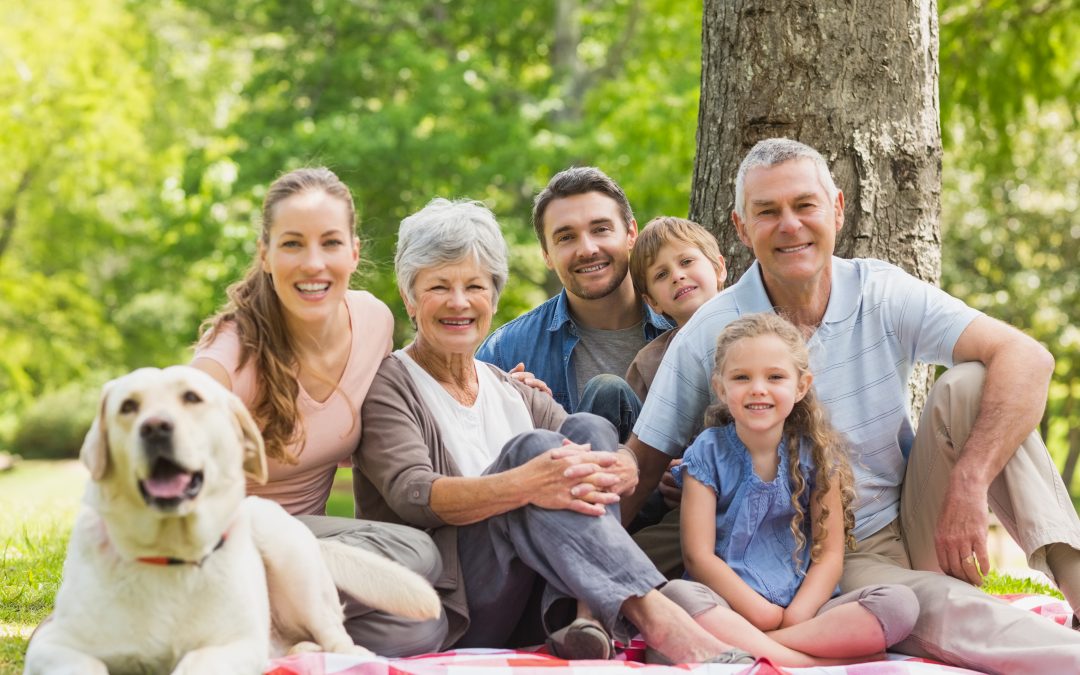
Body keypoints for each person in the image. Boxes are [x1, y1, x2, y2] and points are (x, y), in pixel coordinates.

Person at [626, 138, 1080, 672]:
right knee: (932, 608)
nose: (790, 225)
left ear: (837, 209)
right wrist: (587, 573)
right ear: (742, 228)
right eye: (767, 212)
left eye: (805, 205)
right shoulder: (711, 331)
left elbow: (1029, 358)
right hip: (834, 555)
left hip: (918, 513)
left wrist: (969, 484)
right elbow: (642, 464)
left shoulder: (880, 291)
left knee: (978, 382)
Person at [353, 197, 849, 667]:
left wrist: (650, 471)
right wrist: (524, 483)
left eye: (476, 286)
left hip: (533, 606)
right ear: (409, 297)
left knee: (588, 427)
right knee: (535, 450)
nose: (459, 302)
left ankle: (590, 615)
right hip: (451, 603)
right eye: (440, 286)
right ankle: (651, 612)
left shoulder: (511, 390)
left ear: (494, 295)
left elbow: (598, 459)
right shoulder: (390, 383)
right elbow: (412, 494)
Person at [191, 167, 448, 656]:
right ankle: (240, 624)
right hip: (227, 550)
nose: (313, 263)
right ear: (265, 255)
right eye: (292, 244)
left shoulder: (373, 320)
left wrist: (504, 383)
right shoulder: (233, 351)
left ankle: (269, 637)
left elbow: (408, 394)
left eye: (330, 243)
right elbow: (172, 415)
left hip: (304, 565)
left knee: (420, 630)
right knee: (416, 554)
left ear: (353, 251)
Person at [675, 312, 917, 659]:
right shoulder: (708, 452)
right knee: (678, 597)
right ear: (720, 387)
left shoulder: (817, 454)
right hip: (729, 605)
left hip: (803, 611)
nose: (758, 388)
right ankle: (810, 661)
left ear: (801, 386)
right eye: (741, 377)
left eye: (775, 376)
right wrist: (761, 613)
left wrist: (795, 616)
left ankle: (766, 653)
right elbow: (697, 556)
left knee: (897, 605)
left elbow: (830, 553)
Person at [475, 167, 671, 441]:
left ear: (630, 234)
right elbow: (468, 449)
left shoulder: (687, 324)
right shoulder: (505, 353)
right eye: (566, 237)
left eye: (601, 229)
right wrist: (509, 415)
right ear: (546, 254)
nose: (588, 249)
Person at [623, 216, 726, 574]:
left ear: (719, 268)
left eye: (686, 262)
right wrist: (668, 473)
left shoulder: (759, 331)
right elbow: (643, 447)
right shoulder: (650, 362)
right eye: (662, 275)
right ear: (653, 302)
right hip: (684, 508)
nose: (678, 276)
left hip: (755, 490)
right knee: (633, 559)